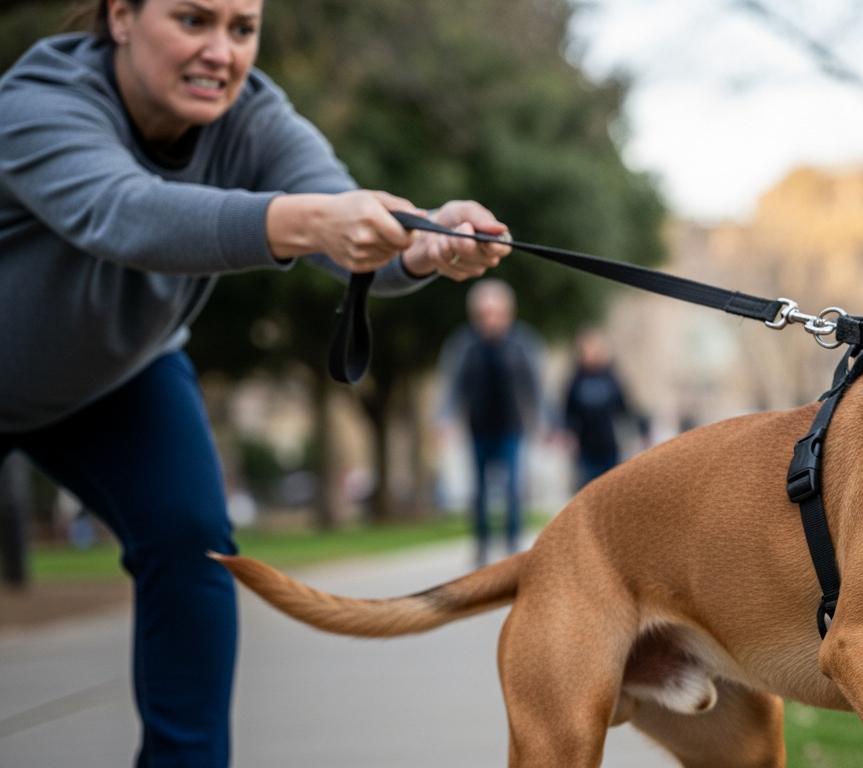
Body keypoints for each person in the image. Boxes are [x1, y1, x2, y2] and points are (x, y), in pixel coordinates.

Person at [0, 2, 511, 765]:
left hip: (118, 378)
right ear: (120, 18)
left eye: (242, 29)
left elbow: (344, 221)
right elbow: (124, 213)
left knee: (195, 546)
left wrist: (425, 242)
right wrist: (309, 222)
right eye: (194, 20)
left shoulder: (255, 118)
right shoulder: (36, 103)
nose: (221, 52)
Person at [443, 279, 541, 566]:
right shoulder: (465, 345)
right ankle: (483, 542)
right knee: (481, 491)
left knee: (512, 488)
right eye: (484, 313)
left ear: (508, 312)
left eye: (495, 312)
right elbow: (452, 387)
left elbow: (535, 387)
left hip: (512, 427)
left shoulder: (522, 343)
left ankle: (512, 542)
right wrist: (445, 419)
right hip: (478, 427)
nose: (490, 319)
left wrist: (546, 422)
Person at [562, 329, 645, 488]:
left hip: (609, 444)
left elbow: (626, 408)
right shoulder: (576, 379)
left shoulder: (612, 378)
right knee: (588, 488)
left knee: (610, 488)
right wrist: (569, 435)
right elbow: (568, 411)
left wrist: (639, 432)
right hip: (585, 445)